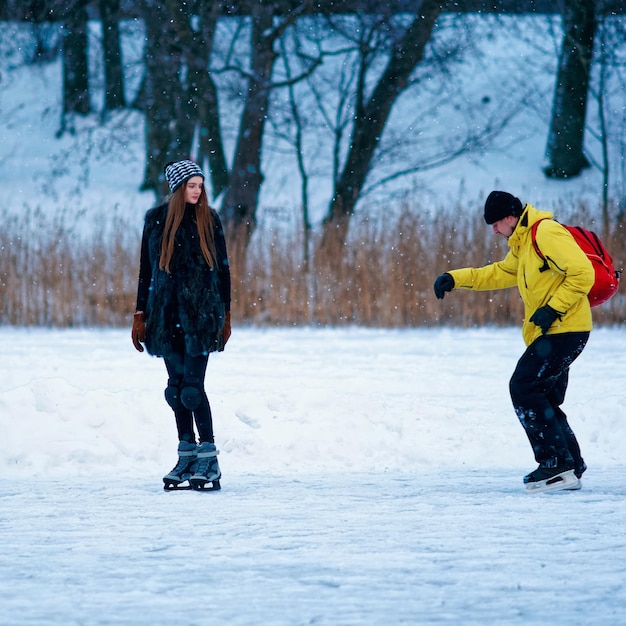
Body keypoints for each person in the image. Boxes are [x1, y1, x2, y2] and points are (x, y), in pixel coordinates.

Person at [433, 190, 594, 493]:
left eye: (495, 223)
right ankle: (569, 465)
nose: (493, 230)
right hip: (555, 332)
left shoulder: (545, 233)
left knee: (524, 387)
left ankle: (556, 465)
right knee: (542, 395)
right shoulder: (523, 243)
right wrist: (455, 278)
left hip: (565, 329)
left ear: (510, 217)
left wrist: (553, 309)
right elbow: (501, 272)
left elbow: (582, 273)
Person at [132, 159, 231, 491]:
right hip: (165, 317)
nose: (198, 191)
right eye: (192, 185)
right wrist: (139, 316)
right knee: (175, 392)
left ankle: (209, 456)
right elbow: (146, 272)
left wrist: (226, 316)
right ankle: (187, 454)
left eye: (200, 185)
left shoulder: (209, 220)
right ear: (177, 188)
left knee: (192, 390)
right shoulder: (156, 221)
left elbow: (223, 272)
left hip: (201, 318)